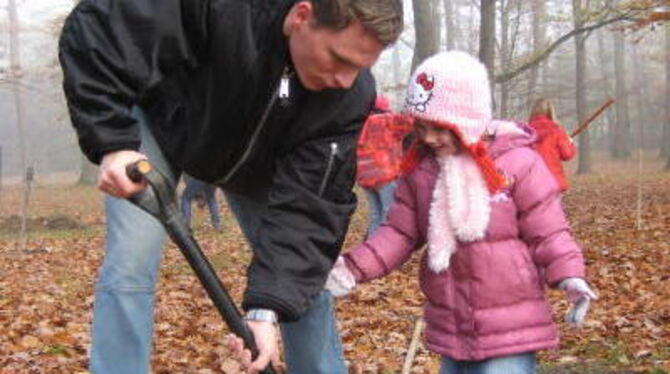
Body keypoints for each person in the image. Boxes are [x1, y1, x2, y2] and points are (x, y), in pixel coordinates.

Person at [58, 0, 403, 373]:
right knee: (131, 261)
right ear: (301, 16)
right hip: (164, 123)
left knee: (304, 284)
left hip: (261, 164)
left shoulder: (346, 98)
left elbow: (311, 212)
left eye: (360, 67)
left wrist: (266, 310)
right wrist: (112, 140)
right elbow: (103, 32)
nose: (345, 80)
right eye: (339, 58)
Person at [325, 51, 597, 374]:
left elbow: (549, 231)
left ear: (468, 119)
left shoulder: (518, 164)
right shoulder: (423, 171)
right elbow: (397, 233)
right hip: (452, 326)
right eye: (422, 126)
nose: (427, 137)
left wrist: (570, 275)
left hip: (511, 326)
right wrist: (353, 268)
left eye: (440, 128)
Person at [356, 94, 413, 236]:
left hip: (364, 177)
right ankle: (382, 250)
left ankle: (369, 249)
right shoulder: (387, 120)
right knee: (388, 215)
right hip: (385, 174)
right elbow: (411, 122)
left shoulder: (360, 123)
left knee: (375, 215)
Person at [528, 98, 577, 192]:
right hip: (553, 180)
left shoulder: (525, 132)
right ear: (550, 112)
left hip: (532, 181)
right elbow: (566, 154)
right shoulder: (557, 131)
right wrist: (570, 143)